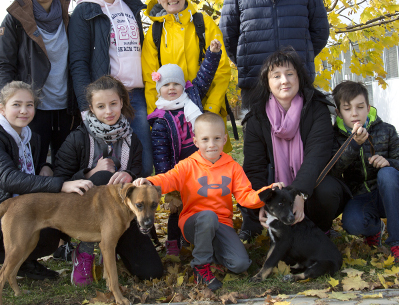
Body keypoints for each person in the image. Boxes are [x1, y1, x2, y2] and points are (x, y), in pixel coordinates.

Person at [0, 81, 92, 297]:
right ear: (2, 108)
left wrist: (46, 168)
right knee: (39, 230)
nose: (24, 110)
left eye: (29, 105)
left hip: (13, 210)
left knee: (52, 231)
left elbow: (32, 168)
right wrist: (62, 184)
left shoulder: (28, 136)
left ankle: (23, 261)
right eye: (17, 104)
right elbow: (8, 178)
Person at [134, 113, 283, 291]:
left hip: (222, 223)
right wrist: (150, 182)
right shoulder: (188, 165)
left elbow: (245, 196)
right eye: (205, 139)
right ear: (196, 141)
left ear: (224, 139)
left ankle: (212, 254)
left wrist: (267, 193)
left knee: (240, 264)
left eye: (216, 139)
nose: (211, 144)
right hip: (193, 222)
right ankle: (201, 266)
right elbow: (168, 179)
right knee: (208, 217)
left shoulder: (232, 167)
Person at [53, 75, 163, 286]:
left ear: (122, 102)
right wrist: (89, 174)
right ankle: (84, 252)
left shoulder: (133, 139)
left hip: (123, 214)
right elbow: (60, 180)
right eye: (101, 106)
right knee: (103, 177)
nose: (109, 111)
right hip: (83, 215)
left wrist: (131, 176)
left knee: (152, 272)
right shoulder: (78, 138)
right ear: (91, 109)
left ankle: (112, 249)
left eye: (113, 104)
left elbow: (141, 176)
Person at [240, 48, 348, 242]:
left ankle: (320, 231)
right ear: (267, 82)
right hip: (275, 189)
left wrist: (299, 192)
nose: (284, 81)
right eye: (276, 76)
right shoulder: (257, 117)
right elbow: (254, 167)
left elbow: (317, 156)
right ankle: (256, 228)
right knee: (246, 191)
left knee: (328, 190)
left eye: (290, 74)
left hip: (310, 186)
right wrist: (264, 200)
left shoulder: (317, 109)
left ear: (299, 78)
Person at [68, 0, 153, 177]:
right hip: (105, 101)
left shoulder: (130, 5)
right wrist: (87, 107)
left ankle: (140, 212)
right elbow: (78, 63)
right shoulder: (84, 11)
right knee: (112, 166)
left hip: (137, 97)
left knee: (143, 163)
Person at [0, 0, 79, 167]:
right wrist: (10, 104)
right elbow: (5, 65)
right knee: (32, 169)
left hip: (67, 110)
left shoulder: (70, 20)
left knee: (67, 170)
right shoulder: (15, 20)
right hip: (33, 109)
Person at [141, 0, 232, 152]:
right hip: (172, 119)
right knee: (178, 171)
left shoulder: (204, 23)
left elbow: (221, 70)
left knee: (211, 170)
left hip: (205, 111)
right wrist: (157, 117)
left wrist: (210, 111)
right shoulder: (154, 32)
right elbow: (150, 81)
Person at [330, 81, 399, 263]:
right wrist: (353, 146)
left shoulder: (385, 130)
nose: (354, 113)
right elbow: (333, 171)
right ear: (338, 112)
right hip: (359, 197)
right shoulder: (335, 137)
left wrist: (389, 162)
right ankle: (374, 229)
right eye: (347, 109)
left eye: (360, 107)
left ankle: (398, 242)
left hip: (389, 194)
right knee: (353, 223)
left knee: (387, 173)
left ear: (368, 107)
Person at [148, 39, 222, 255]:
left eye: (176, 84)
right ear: (159, 89)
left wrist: (213, 54)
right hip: (179, 167)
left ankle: (201, 238)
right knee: (177, 207)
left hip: (201, 162)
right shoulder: (160, 119)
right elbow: (160, 153)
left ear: (183, 86)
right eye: (166, 85)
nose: (171, 88)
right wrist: (167, 184)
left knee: (203, 199)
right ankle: (173, 241)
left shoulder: (193, 98)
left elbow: (205, 75)